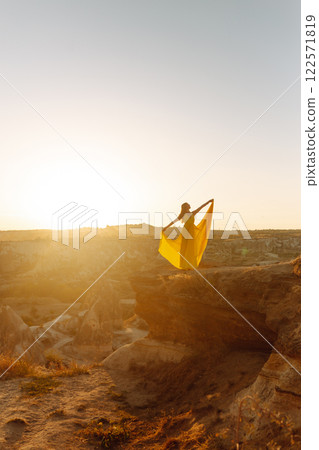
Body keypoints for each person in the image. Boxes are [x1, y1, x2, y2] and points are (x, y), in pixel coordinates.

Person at [159, 199, 214, 269]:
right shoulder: (182, 215)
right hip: (186, 231)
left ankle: (189, 265)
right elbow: (174, 221)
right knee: (185, 248)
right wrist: (166, 227)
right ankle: (185, 265)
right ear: (186, 207)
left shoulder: (192, 213)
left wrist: (208, 202)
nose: (189, 205)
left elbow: (201, 207)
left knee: (191, 248)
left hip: (191, 231)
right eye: (188, 204)